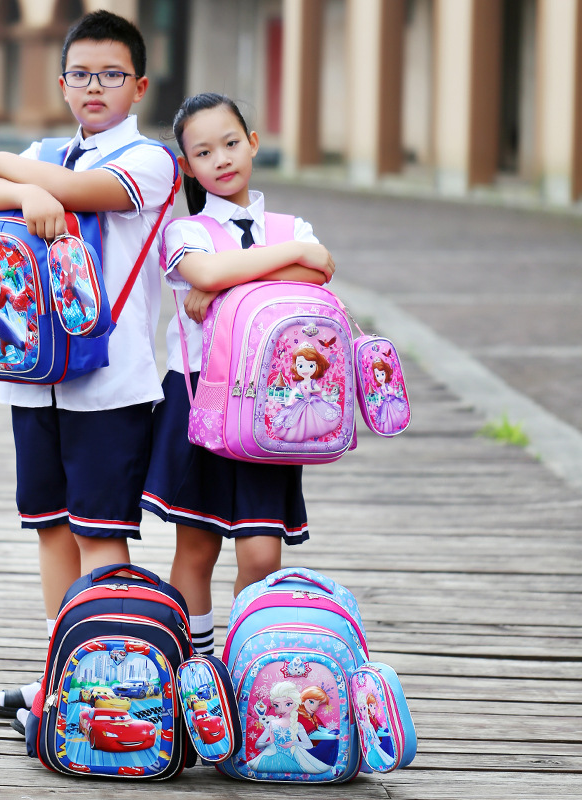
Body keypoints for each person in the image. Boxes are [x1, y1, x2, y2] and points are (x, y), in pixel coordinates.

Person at [0, 10, 177, 728]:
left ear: (138, 85)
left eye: (111, 74)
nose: (94, 87)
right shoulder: (47, 150)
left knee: (100, 533)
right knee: (52, 527)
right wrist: (25, 187)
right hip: (30, 371)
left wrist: (4, 170)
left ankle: (103, 689)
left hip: (111, 382)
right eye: (81, 73)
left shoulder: (150, 161)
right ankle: (60, 684)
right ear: (61, 81)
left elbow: (70, 192)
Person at [139, 93, 335, 657]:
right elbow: (206, 269)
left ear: (252, 143)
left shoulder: (290, 224)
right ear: (187, 166)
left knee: (261, 556)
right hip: (200, 396)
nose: (221, 159)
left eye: (230, 143)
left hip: (273, 408)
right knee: (196, 548)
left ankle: (242, 670)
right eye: (203, 152)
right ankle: (193, 671)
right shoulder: (186, 232)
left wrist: (230, 283)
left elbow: (321, 266)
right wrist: (286, 260)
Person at [247, 682, 331, 774]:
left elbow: (309, 745)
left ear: (295, 703)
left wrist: (294, 743)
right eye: (277, 705)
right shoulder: (272, 724)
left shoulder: (298, 725)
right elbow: (257, 744)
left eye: (288, 704)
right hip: (271, 757)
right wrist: (269, 742)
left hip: (291, 759)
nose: (282, 709)